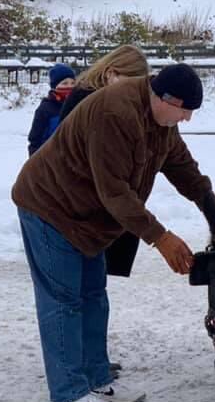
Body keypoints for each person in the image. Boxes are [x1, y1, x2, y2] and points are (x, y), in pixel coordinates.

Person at [12, 63, 215, 402]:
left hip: (88, 218)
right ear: (165, 98)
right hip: (50, 207)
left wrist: (214, 210)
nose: (187, 119)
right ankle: (67, 394)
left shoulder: (161, 120)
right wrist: (161, 238)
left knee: (93, 295)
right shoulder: (115, 113)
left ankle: (96, 378)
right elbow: (114, 192)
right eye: (185, 110)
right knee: (63, 299)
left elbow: (182, 167)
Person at [59, 44, 151, 280]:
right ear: (111, 73)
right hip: (80, 202)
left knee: (94, 286)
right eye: (129, 81)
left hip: (104, 201)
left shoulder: (124, 103)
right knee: (76, 287)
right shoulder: (88, 100)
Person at [60, 43, 150, 121]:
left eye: (139, 85)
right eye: (129, 83)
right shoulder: (87, 99)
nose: (133, 91)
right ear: (110, 73)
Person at [26, 64, 75, 156]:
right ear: (54, 86)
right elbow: (35, 140)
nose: (69, 86)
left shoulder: (78, 105)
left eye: (72, 83)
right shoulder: (45, 109)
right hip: (51, 158)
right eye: (64, 83)